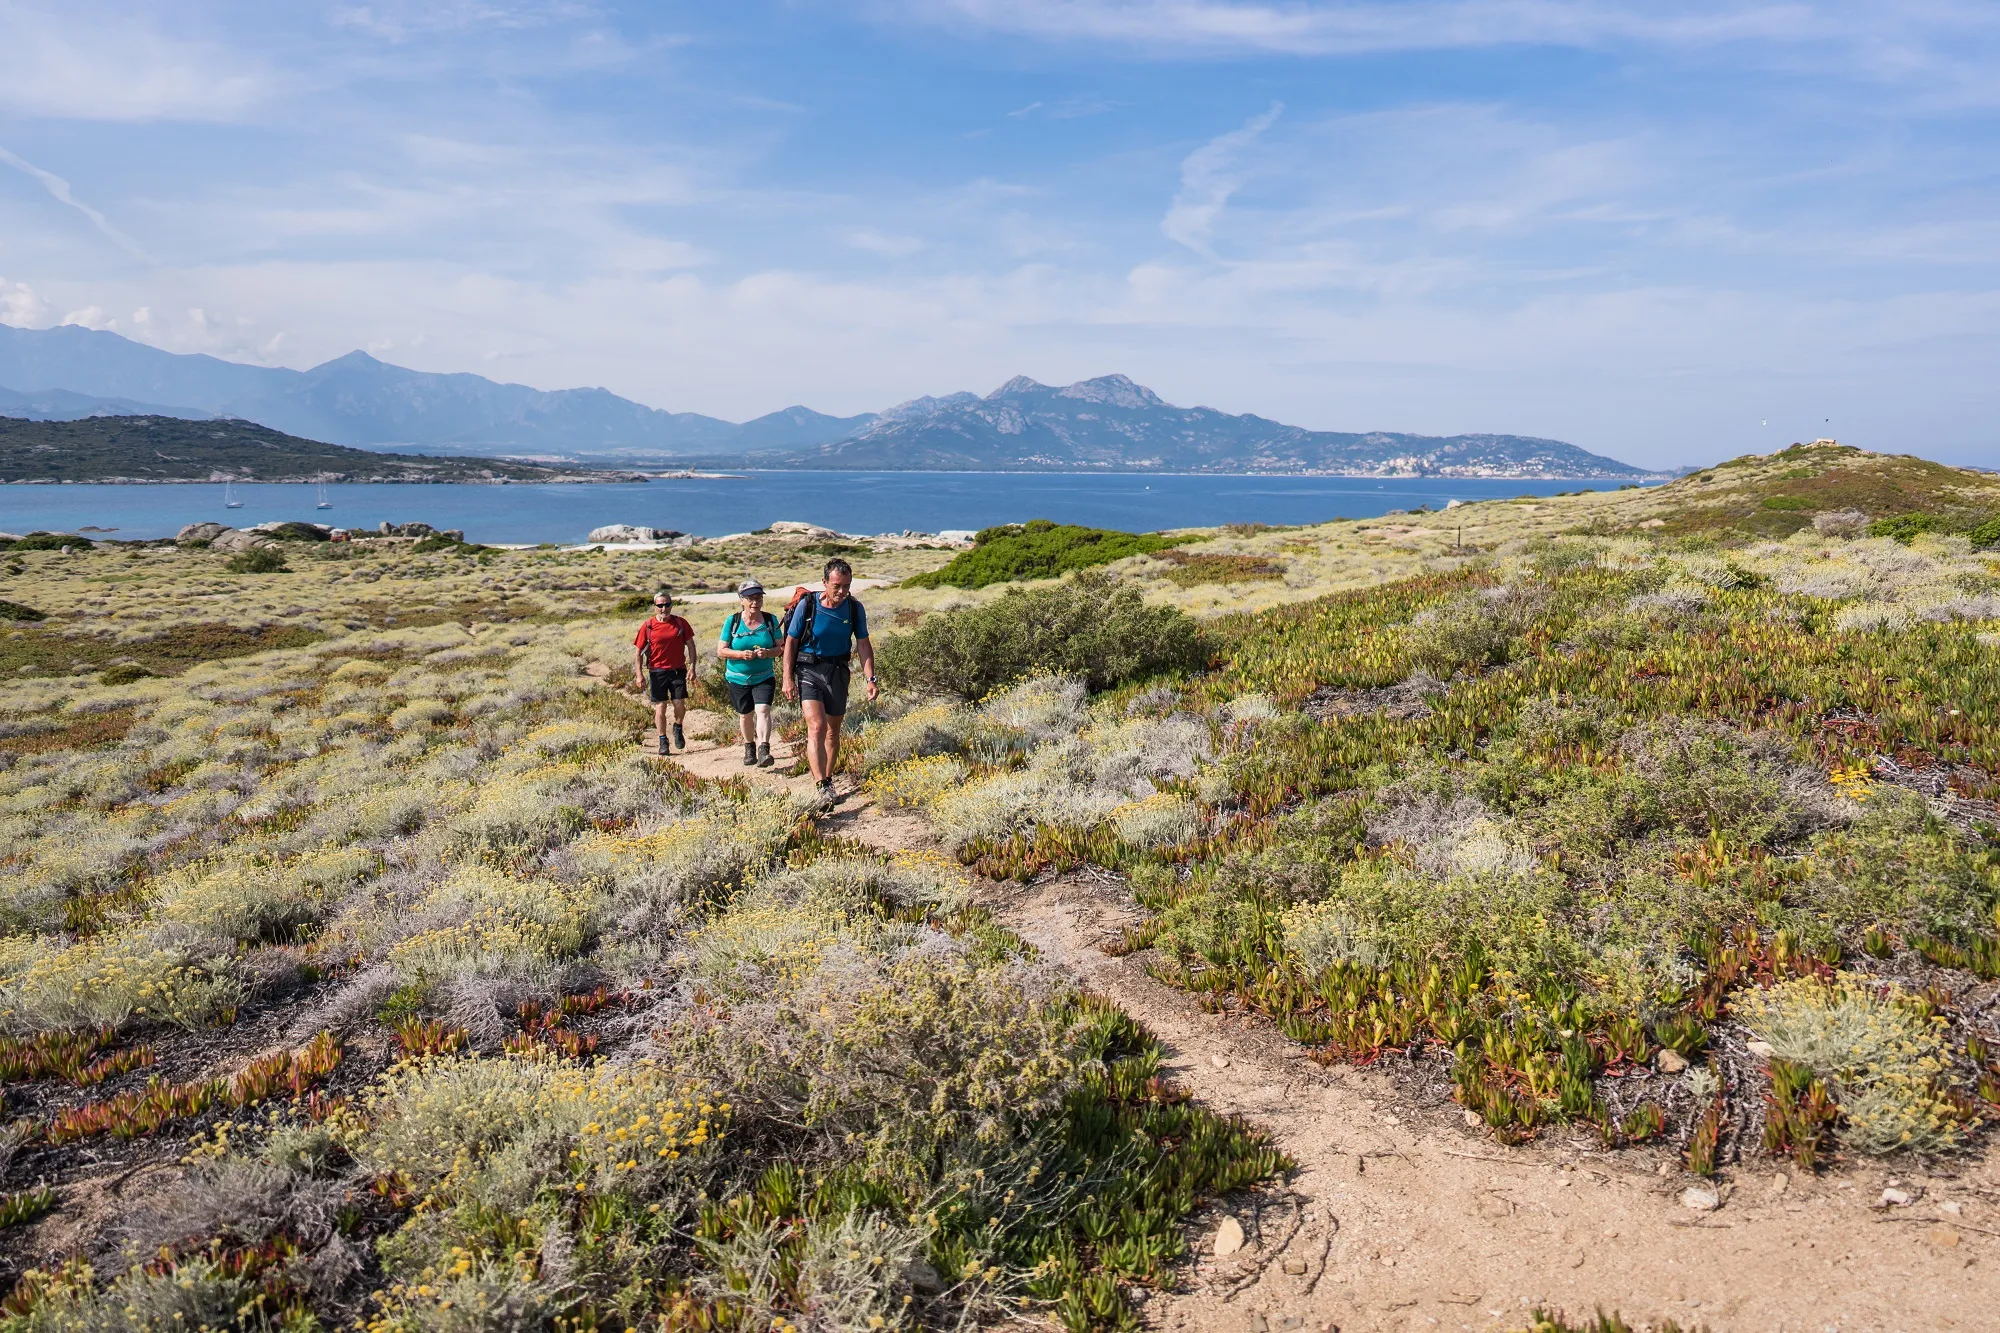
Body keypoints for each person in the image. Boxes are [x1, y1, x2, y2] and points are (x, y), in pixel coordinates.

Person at [782, 557, 877, 803]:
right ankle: (821, 786)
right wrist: (787, 679)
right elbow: (791, 642)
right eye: (837, 586)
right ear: (825, 582)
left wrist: (870, 678)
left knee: (833, 732)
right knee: (816, 726)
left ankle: (828, 777)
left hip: (838, 672)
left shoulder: (855, 609)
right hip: (809, 671)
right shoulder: (808, 605)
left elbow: (863, 644)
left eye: (847, 586)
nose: (842, 591)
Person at [715, 579, 780, 767]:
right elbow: (721, 651)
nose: (755, 602)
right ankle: (749, 746)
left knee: (763, 710)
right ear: (741, 600)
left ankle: (764, 749)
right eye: (751, 598)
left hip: (764, 676)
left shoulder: (770, 620)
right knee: (745, 714)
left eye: (759, 598)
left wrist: (767, 653)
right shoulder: (732, 621)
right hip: (737, 678)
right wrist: (741, 655)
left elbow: (780, 647)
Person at [632, 588, 696, 755]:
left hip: (677, 670)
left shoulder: (681, 623)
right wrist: (639, 675)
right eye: (660, 605)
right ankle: (662, 740)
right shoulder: (648, 626)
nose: (664, 608)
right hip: (657, 671)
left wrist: (692, 666)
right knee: (660, 707)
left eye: (667, 604)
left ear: (671, 605)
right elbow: (638, 652)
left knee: (679, 703)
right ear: (655, 606)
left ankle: (678, 726)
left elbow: (690, 645)